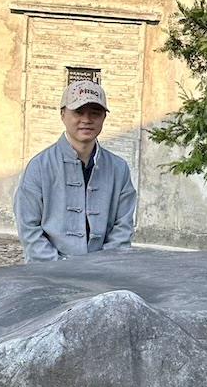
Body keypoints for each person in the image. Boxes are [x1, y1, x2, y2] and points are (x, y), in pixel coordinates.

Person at [14, 80, 137, 262]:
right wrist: (60, 268)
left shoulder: (119, 169)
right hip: (48, 273)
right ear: (63, 114)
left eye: (95, 113)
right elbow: (29, 229)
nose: (86, 120)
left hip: (104, 273)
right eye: (78, 112)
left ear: (104, 117)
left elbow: (123, 226)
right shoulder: (39, 166)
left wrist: (102, 265)